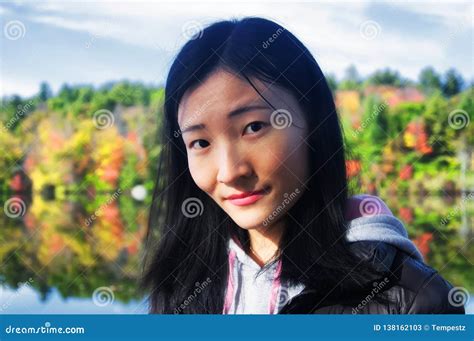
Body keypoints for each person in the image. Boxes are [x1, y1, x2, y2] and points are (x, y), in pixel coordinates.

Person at [142, 17, 465, 315]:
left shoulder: (411, 301)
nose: (229, 172)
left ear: (314, 125)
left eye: (253, 127)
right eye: (201, 143)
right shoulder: (181, 285)